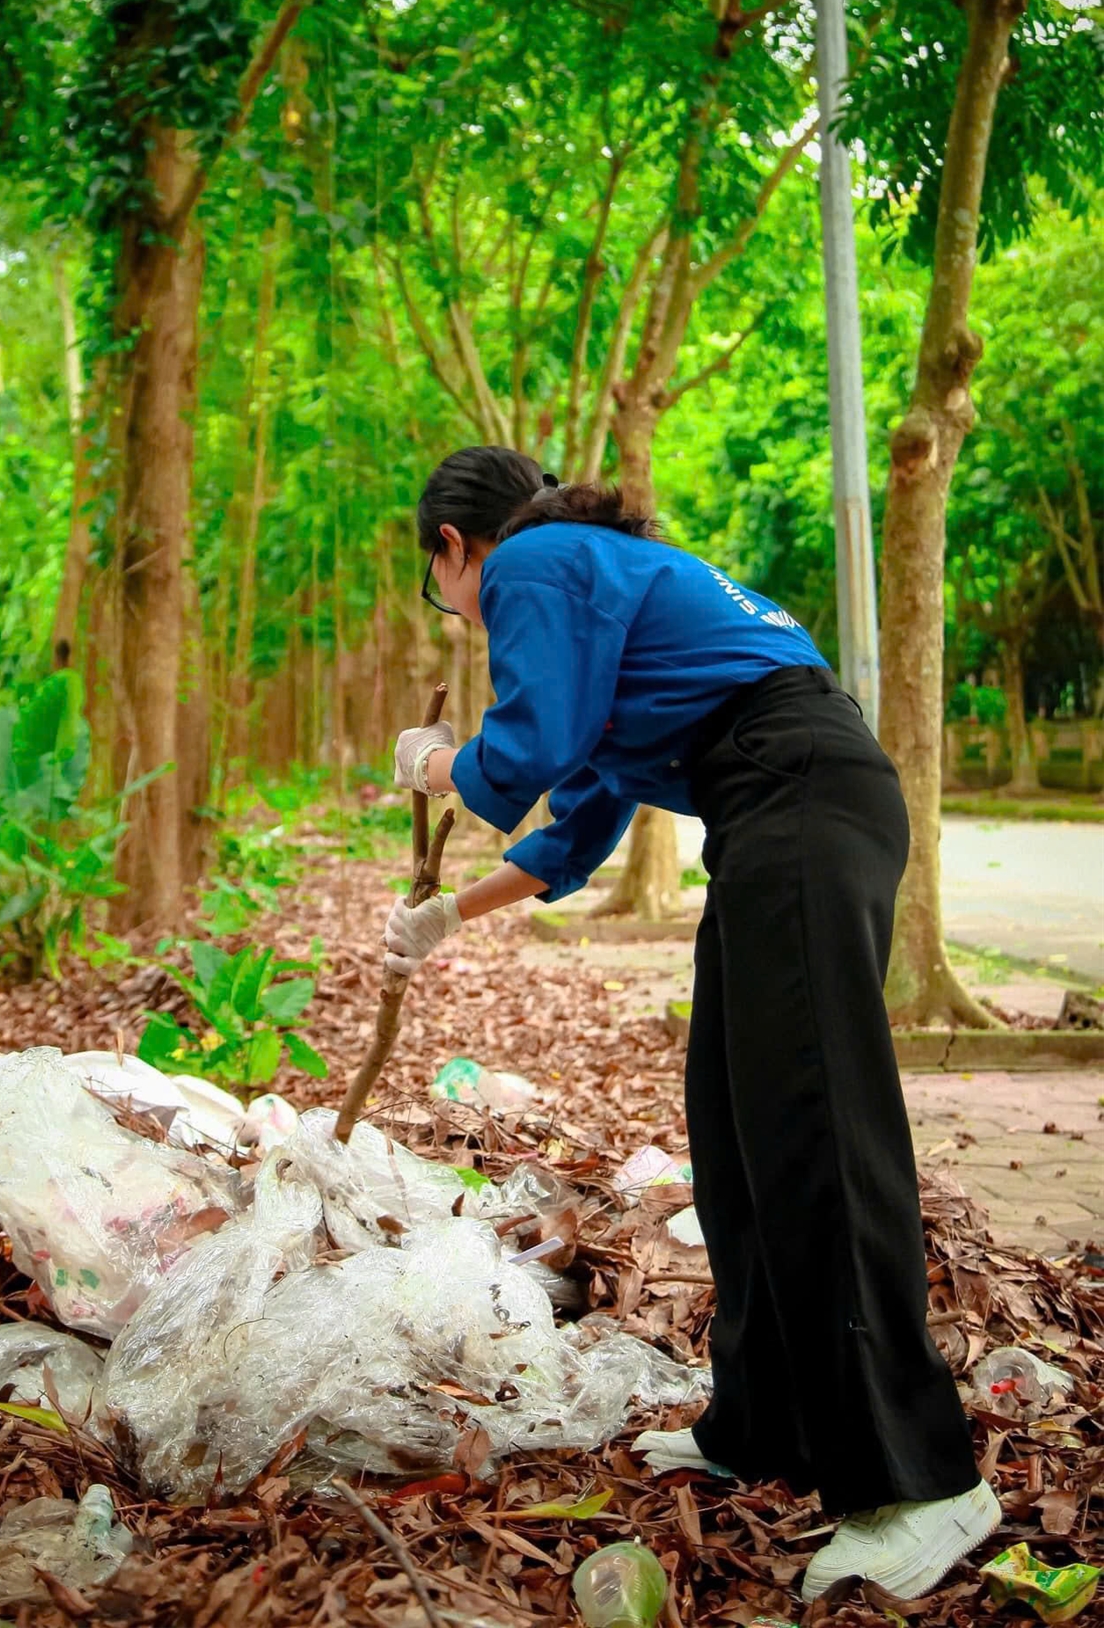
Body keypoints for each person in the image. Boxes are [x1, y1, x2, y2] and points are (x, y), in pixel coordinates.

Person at [381, 445, 999, 1603]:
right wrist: (446, 915)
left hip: (796, 795)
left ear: (455, 548)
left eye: (441, 589)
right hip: (776, 810)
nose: (462, 612)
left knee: (814, 1131)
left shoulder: (535, 562)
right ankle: (759, 1424)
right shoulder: (605, 600)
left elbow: (523, 755)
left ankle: (921, 1482)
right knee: (734, 1128)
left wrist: (441, 763)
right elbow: (574, 827)